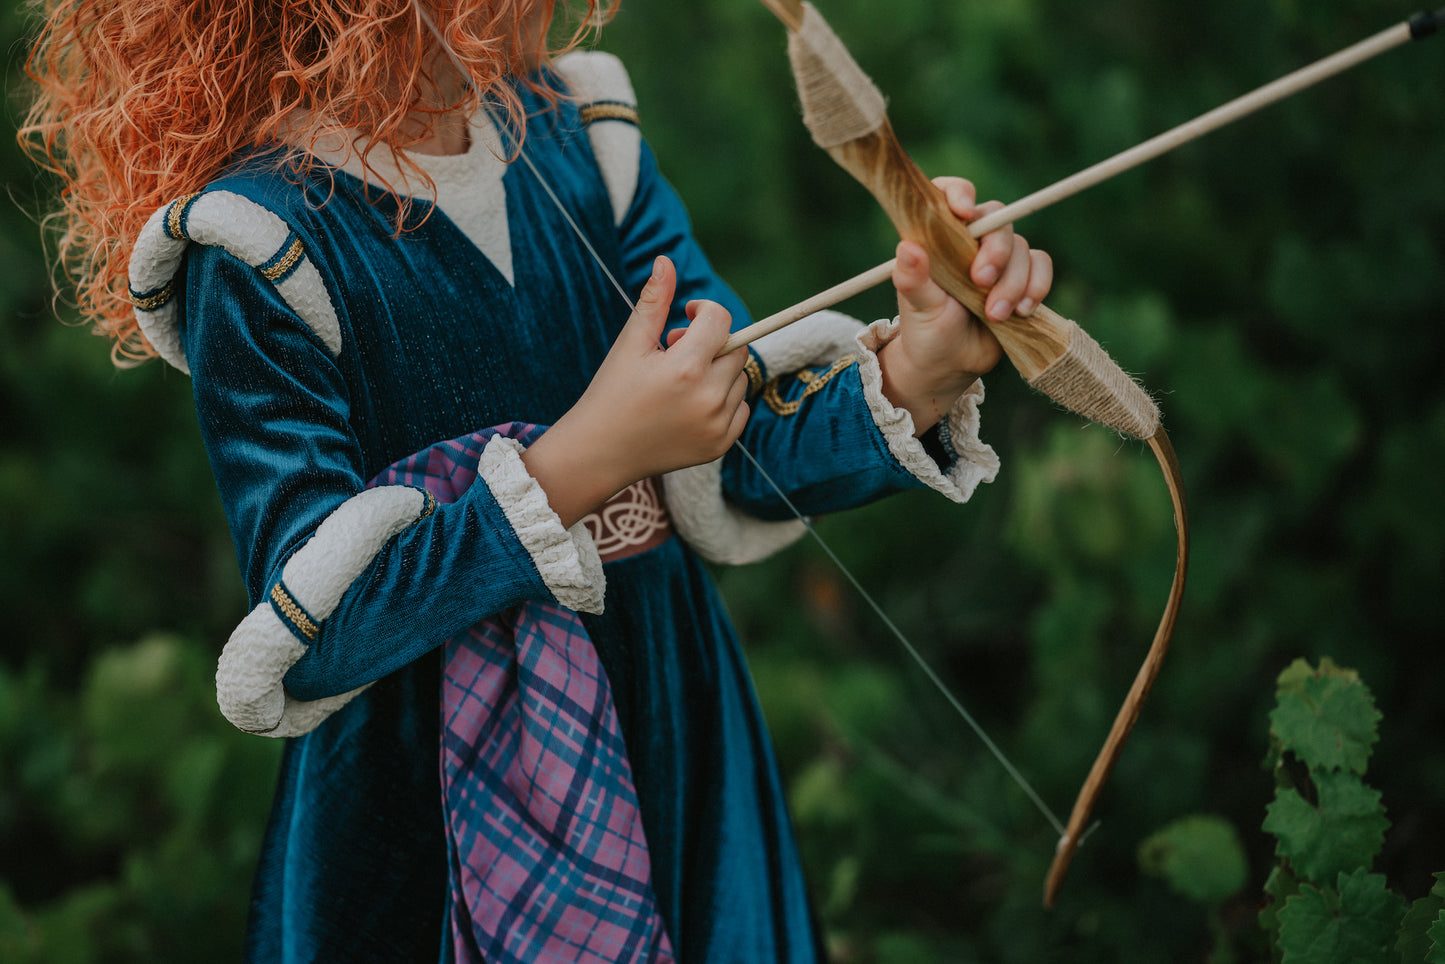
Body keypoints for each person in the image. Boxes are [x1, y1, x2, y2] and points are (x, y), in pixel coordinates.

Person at [22, 0, 1052, 959]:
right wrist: (586, 458)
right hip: (420, 781)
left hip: (668, 715)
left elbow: (737, 447)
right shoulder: (257, 243)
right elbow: (316, 631)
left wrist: (920, 363)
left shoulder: (579, 134)